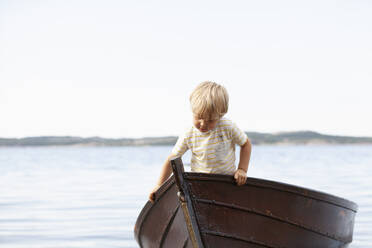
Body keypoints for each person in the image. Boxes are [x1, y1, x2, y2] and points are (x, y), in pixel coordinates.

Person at [149, 81, 252, 202]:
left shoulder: (227, 127)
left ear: (220, 116)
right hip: (199, 184)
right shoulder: (189, 133)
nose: (203, 124)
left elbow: (246, 144)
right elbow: (172, 159)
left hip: (226, 183)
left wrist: (242, 169)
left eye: (210, 120)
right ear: (192, 111)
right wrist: (158, 185)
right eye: (199, 117)